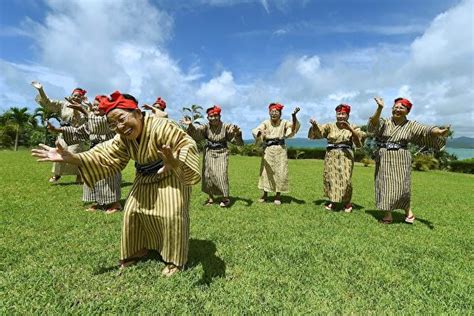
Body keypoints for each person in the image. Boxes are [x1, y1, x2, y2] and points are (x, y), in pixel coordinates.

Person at [32, 91, 201, 277]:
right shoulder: (123, 137)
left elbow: (187, 144)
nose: (120, 127)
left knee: (171, 214)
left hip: (171, 174)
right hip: (144, 176)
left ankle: (174, 260)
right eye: (113, 124)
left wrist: (175, 162)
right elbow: (105, 154)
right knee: (132, 212)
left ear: (137, 112)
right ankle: (138, 248)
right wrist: (74, 158)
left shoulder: (163, 126)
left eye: (121, 118)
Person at [368, 97, 449, 224]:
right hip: (384, 156)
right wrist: (379, 108)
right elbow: (373, 124)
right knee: (384, 184)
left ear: (407, 111)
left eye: (401, 107)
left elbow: (425, 130)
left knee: (402, 186)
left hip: (401, 157)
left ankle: (408, 212)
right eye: (396, 107)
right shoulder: (385, 122)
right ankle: (388, 215)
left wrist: (439, 131)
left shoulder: (411, 125)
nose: (398, 109)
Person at [47, 95, 122, 213]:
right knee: (92, 176)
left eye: (98, 105)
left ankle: (115, 204)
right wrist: (57, 130)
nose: (95, 108)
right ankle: (98, 202)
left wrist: (83, 110)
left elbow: (99, 125)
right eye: (95, 105)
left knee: (109, 178)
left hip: (109, 154)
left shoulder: (109, 120)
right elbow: (79, 131)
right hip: (93, 152)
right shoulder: (92, 120)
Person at [181, 105, 244, 207]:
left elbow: (235, 139)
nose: (213, 118)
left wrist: (237, 134)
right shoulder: (206, 127)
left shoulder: (226, 126)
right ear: (208, 118)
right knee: (208, 175)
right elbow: (197, 135)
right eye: (211, 116)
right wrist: (191, 126)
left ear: (219, 116)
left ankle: (225, 198)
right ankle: (210, 198)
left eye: (216, 115)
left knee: (221, 174)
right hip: (209, 151)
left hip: (222, 152)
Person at [308, 104, 366, 212]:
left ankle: (347, 202)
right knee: (331, 178)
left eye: (343, 114)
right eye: (338, 114)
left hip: (346, 156)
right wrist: (315, 125)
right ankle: (332, 201)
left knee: (345, 179)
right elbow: (319, 134)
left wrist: (349, 129)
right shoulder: (330, 126)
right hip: (331, 155)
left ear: (348, 116)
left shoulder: (353, 126)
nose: (341, 116)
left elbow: (358, 141)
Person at [31, 81, 88, 183]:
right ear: (71, 95)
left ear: (82, 98)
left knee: (76, 154)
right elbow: (48, 103)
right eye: (75, 95)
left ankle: (79, 176)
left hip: (77, 133)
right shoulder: (63, 105)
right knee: (60, 152)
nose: (76, 97)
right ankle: (57, 175)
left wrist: (76, 108)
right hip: (63, 133)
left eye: (79, 96)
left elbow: (78, 120)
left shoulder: (84, 108)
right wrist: (41, 90)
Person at [252, 103, 300, 205]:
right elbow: (257, 129)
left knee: (280, 172)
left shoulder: (284, 122)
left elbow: (293, 129)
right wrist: (260, 133)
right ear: (269, 113)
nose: (274, 113)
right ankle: (265, 194)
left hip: (280, 150)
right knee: (265, 172)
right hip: (268, 150)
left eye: (276, 112)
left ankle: (278, 195)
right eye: (272, 112)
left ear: (280, 113)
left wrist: (294, 116)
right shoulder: (266, 122)